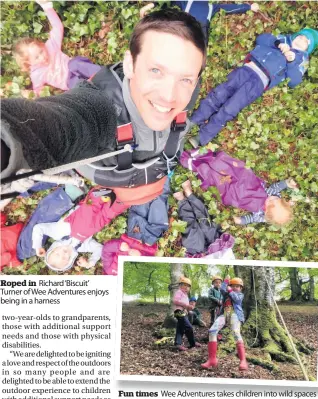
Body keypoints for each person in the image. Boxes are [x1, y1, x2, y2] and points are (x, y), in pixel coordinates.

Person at [1, 8, 206, 206]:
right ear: (129, 64)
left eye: (185, 79)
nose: (169, 96)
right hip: (128, 186)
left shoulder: (190, 87)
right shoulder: (101, 107)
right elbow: (56, 125)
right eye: (155, 70)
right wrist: (10, 144)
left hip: (156, 175)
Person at [191, 28, 318, 145]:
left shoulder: (301, 61)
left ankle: (202, 137)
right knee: (218, 94)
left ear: (308, 49)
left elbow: (294, 81)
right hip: (246, 70)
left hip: (258, 82)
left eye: (305, 41)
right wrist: (278, 44)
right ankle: (194, 120)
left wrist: (291, 62)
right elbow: (261, 38)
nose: (300, 40)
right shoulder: (281, 38)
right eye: (300, 36)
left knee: (231, 108)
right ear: (295, 35)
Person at [180, 149, 298, 227]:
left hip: (238, 194)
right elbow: (275, 187)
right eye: (274, 199)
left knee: (217, 178)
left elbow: (251, 218)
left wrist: (241, 221)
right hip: (247, 181)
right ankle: (205, 155)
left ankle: (194, 164)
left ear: (267, 213)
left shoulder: (260, 215)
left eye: (270, 202)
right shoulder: (274, 195)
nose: (271, 198)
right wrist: (287, 183)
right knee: (231, 167)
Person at [13, 0, 101, 96]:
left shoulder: (51, 46)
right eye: (36, 57)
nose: (42, 57)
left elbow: (57, 27)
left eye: (41, 52)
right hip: (68, 82)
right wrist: (29, 95)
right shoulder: (36, 75)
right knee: (76, 85)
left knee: (75, 64)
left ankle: (104, 75)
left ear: (42, 45)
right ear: (28, 63)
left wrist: (46, 6)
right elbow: (38, 92)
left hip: (73, 66)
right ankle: (97, 93)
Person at [31, 188, 128, 272]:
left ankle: (103, 192)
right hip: (101, 218)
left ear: (53, 249)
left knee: (92, 205)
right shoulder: (82, 247)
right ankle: (123, 199)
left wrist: (37, 246)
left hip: (88, 207)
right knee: (113, 210)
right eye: (64, 258)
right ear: (70, 260)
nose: (62, 253)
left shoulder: (56, 233)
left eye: (57, 254)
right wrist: (91, 262)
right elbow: (99, 248)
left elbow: (38, 228)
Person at [140, 2, 259, 42]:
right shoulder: (186, 1)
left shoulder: (211, 6)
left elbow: (229, 8)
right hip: (183, 31)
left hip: (199, 38)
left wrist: (249, 7)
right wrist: (148, 7)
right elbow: (166, 1)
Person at [201, 275, 248, 371]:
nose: (235, 287)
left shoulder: (240, 295)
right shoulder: (225, 293)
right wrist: (226, 281)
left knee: (235, 332)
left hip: (235, 314)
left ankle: (243, 360)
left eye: (237, 286)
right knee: (212, 331)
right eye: (233, 286)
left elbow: (236, 299)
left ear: (240, 288)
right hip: (224, 314)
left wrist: (231, 290)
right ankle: (212, 359)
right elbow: (222, 288)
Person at [173, 276, 202, 351]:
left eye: (188, 286)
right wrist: (186, 305)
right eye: (184, 285)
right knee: (189, 327)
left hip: (184, 312)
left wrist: (189, 308)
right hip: (179, 312)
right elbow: (175, 301)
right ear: (180, 285)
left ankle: (177, 344)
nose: (186, 287)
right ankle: (193, 343)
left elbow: (186, 306)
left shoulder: (186, 295)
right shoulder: (179, 292)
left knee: (180, 329)